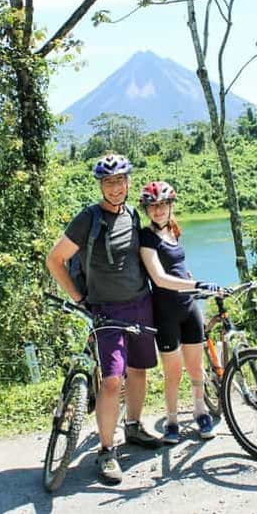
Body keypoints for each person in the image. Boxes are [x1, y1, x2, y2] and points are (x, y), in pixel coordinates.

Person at [45, 154, 161, 485]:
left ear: (128, 183)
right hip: (107, 311)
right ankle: (106, 450)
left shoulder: (133, 214)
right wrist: (80, 299)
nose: (115, 188)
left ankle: (134, 427)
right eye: (109, 182)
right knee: (112, 381)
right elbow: (55, 261)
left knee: (139, 370)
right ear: (101, 185)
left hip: (141, 304)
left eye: (120, 181)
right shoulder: (87, 219)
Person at [138, 180, 220, 444]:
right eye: (153, 207)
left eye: (163, 205)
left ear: (171, 205)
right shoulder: (146, 237)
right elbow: (160, 278)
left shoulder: (174, 231)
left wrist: (191, 279)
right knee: (173, 372)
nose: (158, 211)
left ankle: (200, 412)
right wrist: (196, 284)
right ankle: (172, 420)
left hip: (189, 307)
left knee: (196, 368)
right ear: (147, 210)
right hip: (165, 313)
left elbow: (178, 266)